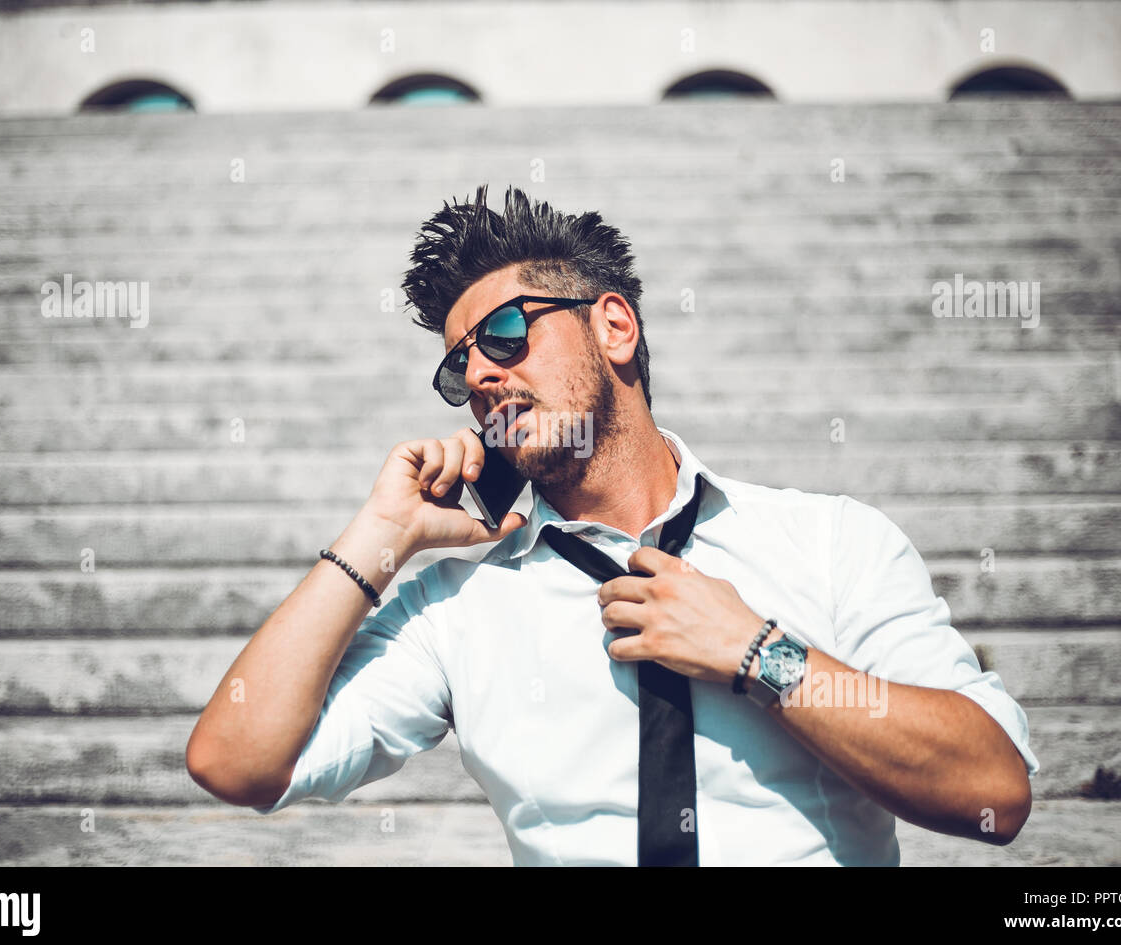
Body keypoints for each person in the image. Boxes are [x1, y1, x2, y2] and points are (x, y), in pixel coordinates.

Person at [186, 184, 1038, 865]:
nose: (481, 372)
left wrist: (759, 653)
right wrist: (380, 534)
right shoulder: (457, 607)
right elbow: (236, 762)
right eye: (458, 365)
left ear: (615, 326)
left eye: (507, 332)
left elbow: (992, 787)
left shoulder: (829, 541)